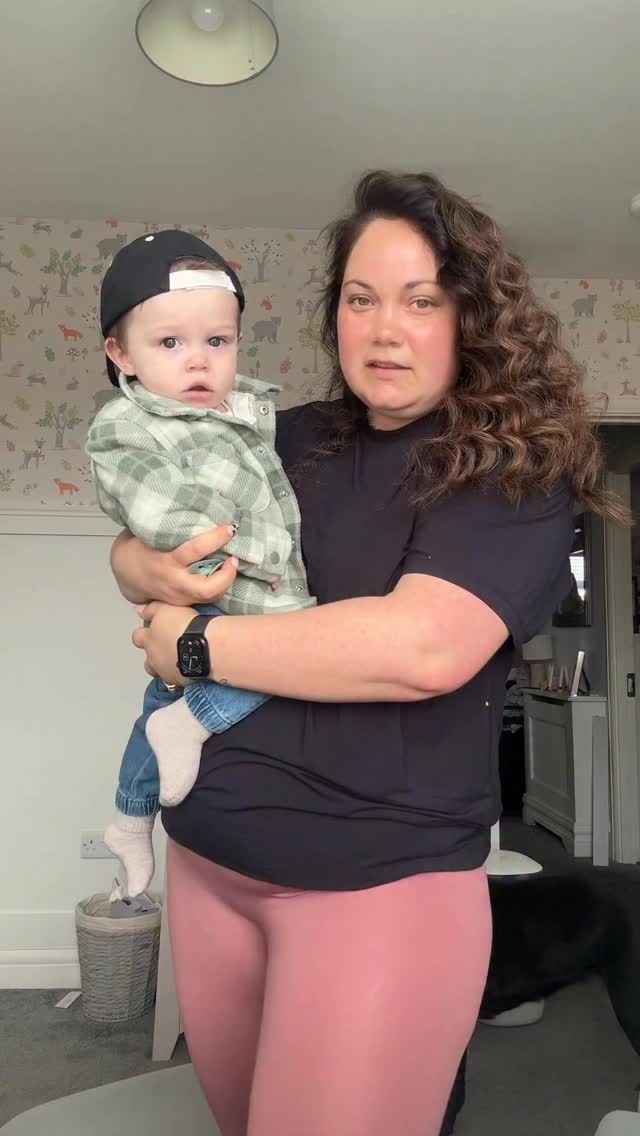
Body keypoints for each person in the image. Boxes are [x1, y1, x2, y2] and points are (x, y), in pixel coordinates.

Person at [110, 171, 626, 1136]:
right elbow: (148, 541)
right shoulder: (279, 436)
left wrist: (197, 645)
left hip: (377, 885)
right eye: (361, 299)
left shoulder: (513, 470)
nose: (385, 330)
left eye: (422, 301)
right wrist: (135, 561)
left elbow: (422, 647)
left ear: (471, 317)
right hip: (209, 861)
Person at [86, 230, 314, 896]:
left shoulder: (239, 415)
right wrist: (253, 558)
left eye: (217, 341)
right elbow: (160, 516)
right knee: (292, 655)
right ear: (120, 354)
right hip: (231, 583)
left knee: (162, 699)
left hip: (230, 584)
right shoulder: (126, 424)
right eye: (169, 343)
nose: (197, 361)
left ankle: (130, 815)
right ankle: (192, 723)